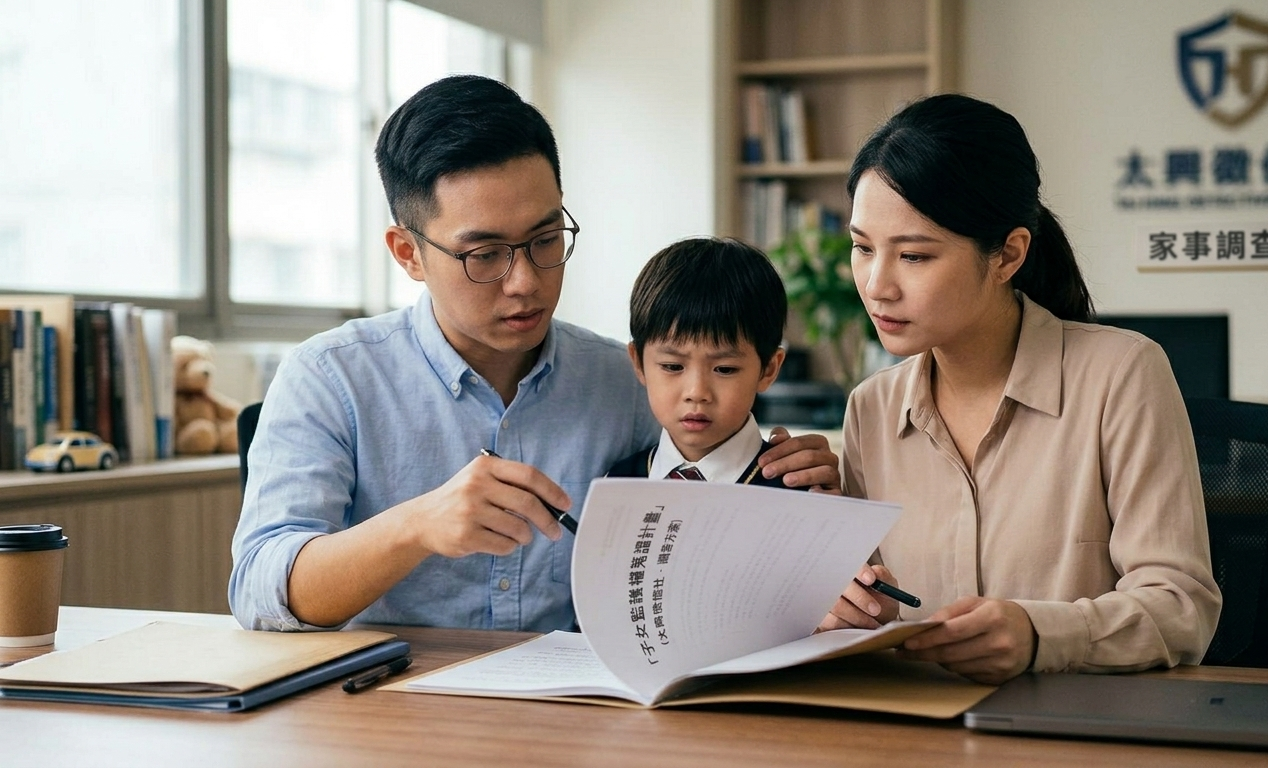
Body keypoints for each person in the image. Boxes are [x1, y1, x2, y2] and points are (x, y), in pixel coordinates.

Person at [229, 75, 840, 633]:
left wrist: (789, 479)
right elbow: (258, 589)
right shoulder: (331, 376)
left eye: (546, 239)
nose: (525, 281)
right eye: (485, 254)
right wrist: (416, 526)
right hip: (391, 712)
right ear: (407, 253)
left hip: (582, 716)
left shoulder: (628, 383)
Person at [821, 93, 1222, 684]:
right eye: (861, 248)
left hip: (1072, 734)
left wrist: (1040, 635)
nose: (877, 285)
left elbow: (1182, 607)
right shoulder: (871, 408)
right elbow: (872, 611)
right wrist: (838, 602)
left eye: (913, 255)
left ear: (1008, 254)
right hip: (911, 735)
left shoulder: (1122, 374)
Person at [607, 238, 795, 488]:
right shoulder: (617, 484)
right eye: (673, 366)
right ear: (639, 363)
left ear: (769, 369)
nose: (697, 393)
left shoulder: (797, 490)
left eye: (724, 369)